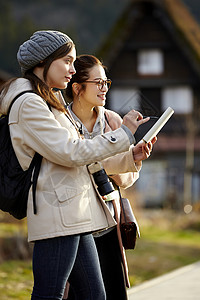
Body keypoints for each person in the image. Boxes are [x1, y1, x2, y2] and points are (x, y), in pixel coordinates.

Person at [0, 31, 150, 300]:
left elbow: (85, 158)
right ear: (44, 62)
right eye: (66, 61)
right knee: (50, 294)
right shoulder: (30, 103)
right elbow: (71, 152)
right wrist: (124, 133)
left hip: (75, 212)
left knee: (94, 295)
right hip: (58, 212)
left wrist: (130, 156)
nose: (72, 68)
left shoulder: (48, 101)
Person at [64, 54, 157, 300]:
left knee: (112, 289)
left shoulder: (112, 120)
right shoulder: (60, 121)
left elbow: (126, 180)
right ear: (77, 87)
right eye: (98, 83)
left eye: (106, 82)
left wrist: (134, 158)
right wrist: (118, 160)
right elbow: (71, 161)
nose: (104, 88)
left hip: (108, 221)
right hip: (75, 222)